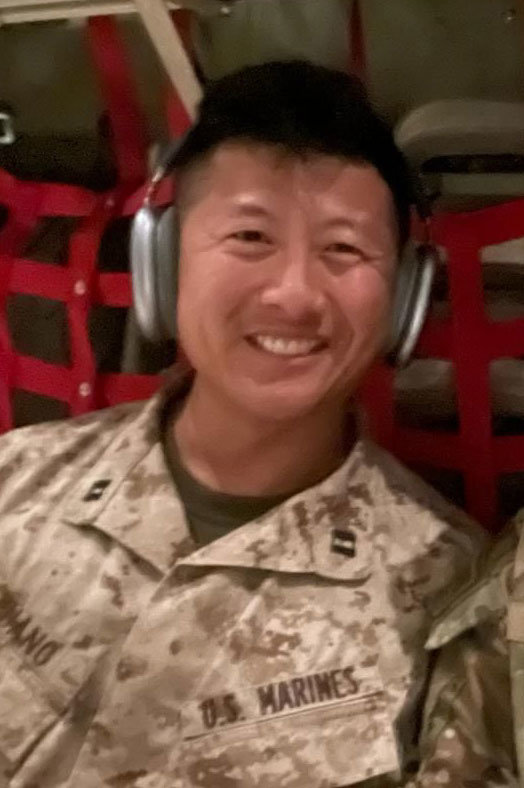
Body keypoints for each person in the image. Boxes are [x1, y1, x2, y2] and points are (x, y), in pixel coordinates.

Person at [0, 60, 486, 787]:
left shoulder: (449, 594)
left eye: (344, 249)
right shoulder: (15, 483)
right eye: (251, 237)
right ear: (162, 264)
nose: (294, 294)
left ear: (404, 298)